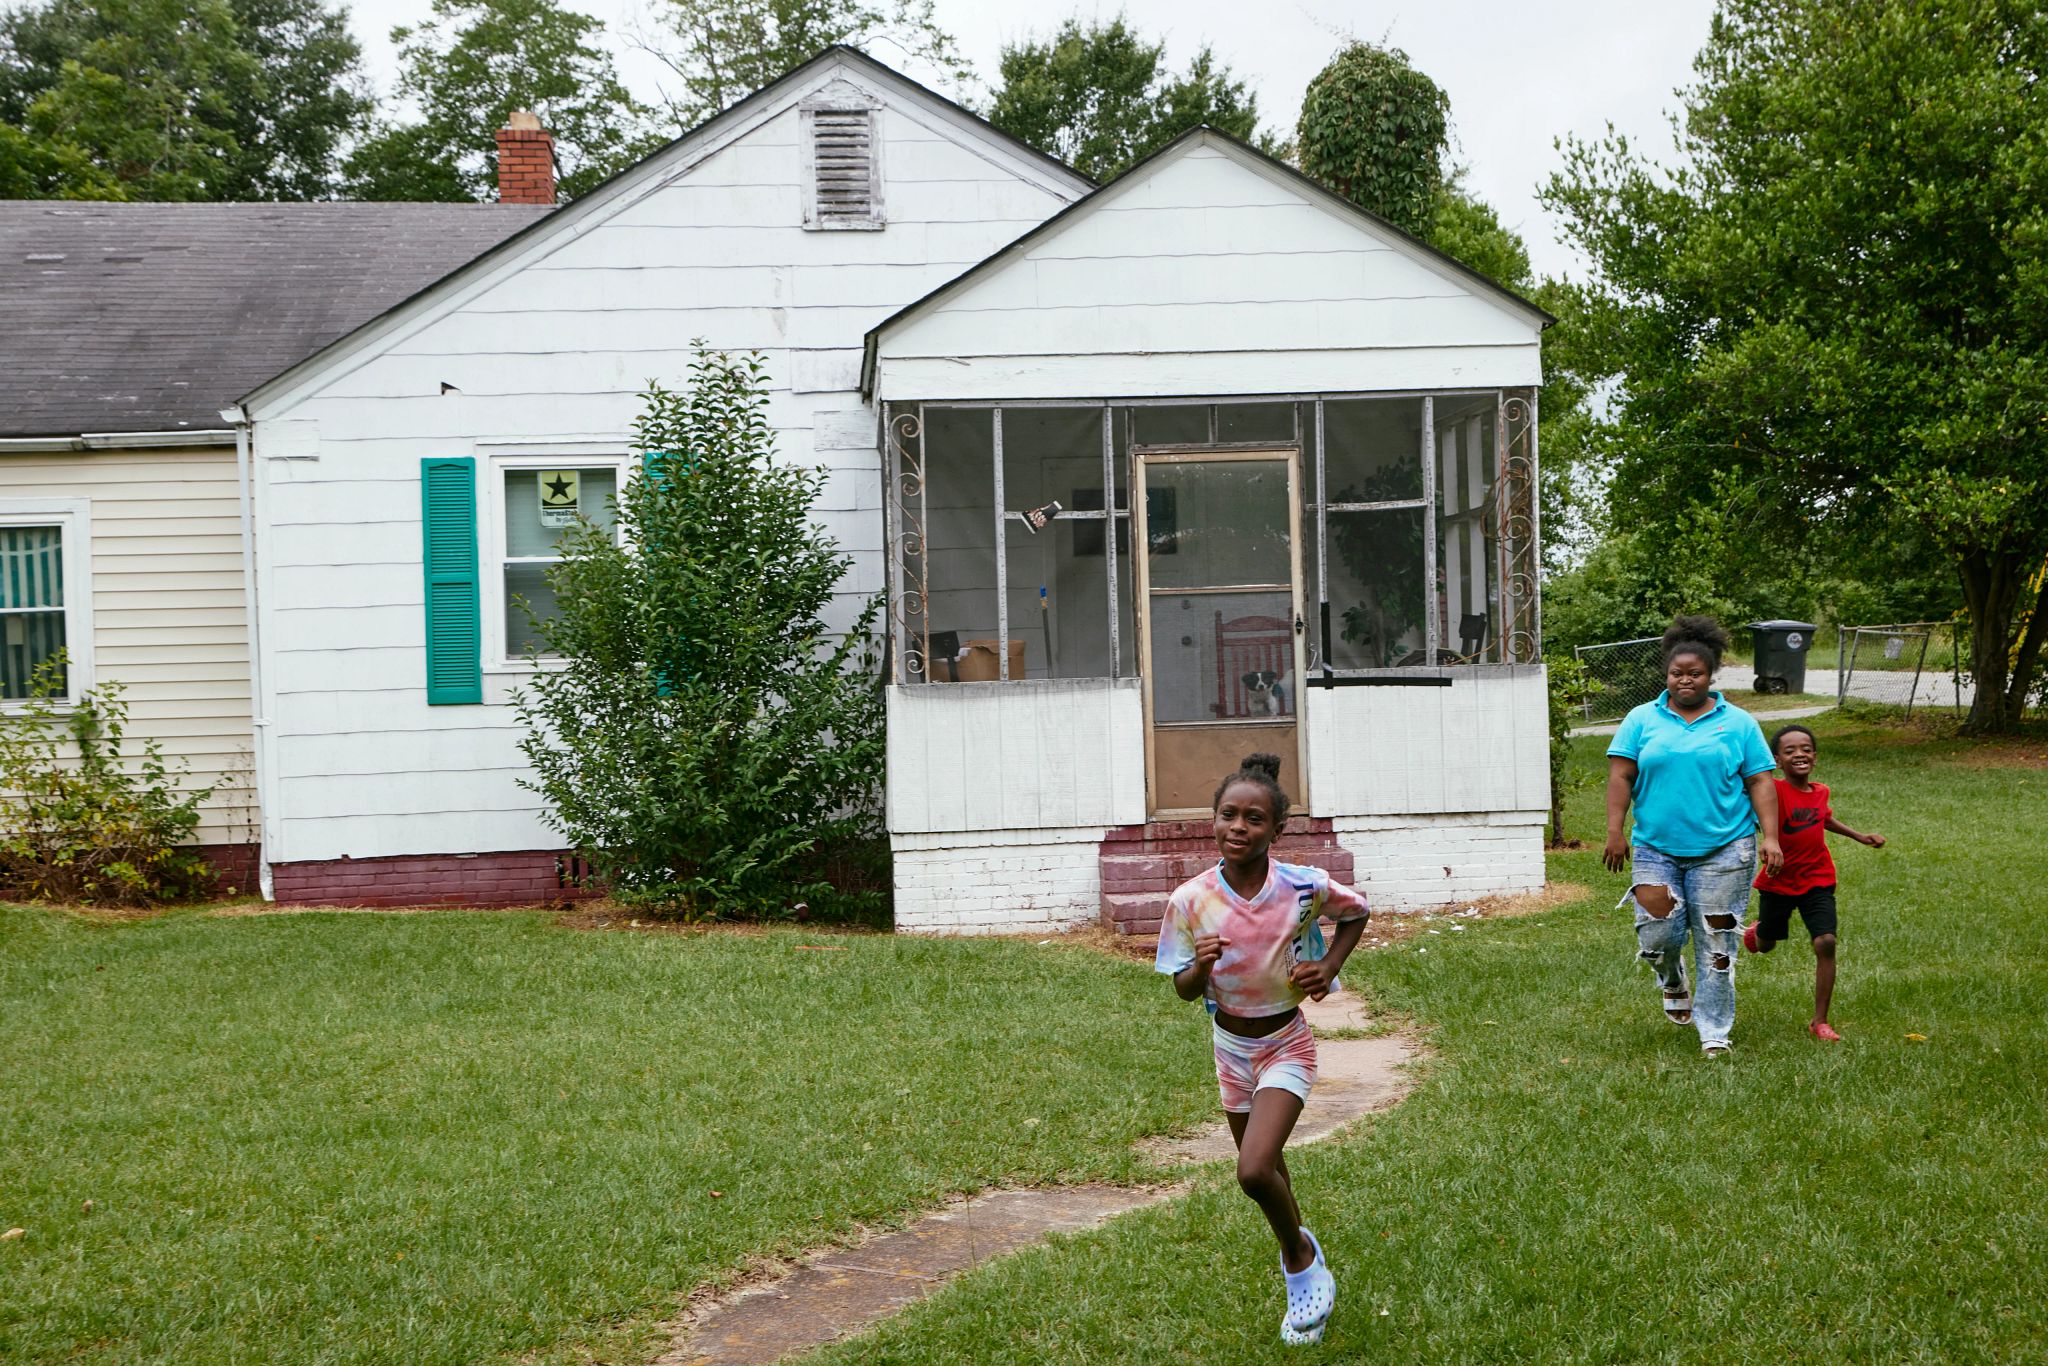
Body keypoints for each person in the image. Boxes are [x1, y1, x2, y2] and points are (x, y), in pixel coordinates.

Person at [1155, 753, 1370, 1346]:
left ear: (1277, 830)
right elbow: (1181, 990)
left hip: (1285, 1044)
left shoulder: (1302, 886)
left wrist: (1328, 965)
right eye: (1228, 815)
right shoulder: (1190, 900)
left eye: (1254, 819)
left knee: (1252, 1171)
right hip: (1230, 1049)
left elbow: (1358, 913)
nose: (1238, 828)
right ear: (1213, 819)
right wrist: (1199, 968)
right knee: (1272, 1168)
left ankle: (1298, 1257)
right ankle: (1310, 1291)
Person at [1603, 616, 1784, 1056]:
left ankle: (1714, 1031)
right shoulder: (1641, 719)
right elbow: (1621, 775)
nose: (1685, 680)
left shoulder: (1738, 723)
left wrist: (1771, 838)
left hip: (1726, 848)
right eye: (1676, 673)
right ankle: (1672, 980)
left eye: (1695, 673)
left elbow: (1761, 781)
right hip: (1655, 847)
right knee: (1657, 936)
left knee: (1717, 942)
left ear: (1710, 675)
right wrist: (1615, 832)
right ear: (1666, 674)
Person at [1743, 723, 1885, 1041]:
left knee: (1826, 942)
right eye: (1790, 750)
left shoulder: (1820, 792)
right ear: (1777, 761)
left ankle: (1819, 1021)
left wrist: (1860, 837)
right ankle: (1757, 932)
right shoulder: (1772, 790)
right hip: (1778, 880)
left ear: (1815, 757)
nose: (1800, 754)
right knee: (1766, 945)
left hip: (1817, 879)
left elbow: (1825, 818)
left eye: (1806, 749)